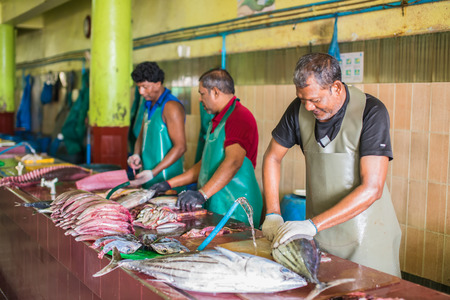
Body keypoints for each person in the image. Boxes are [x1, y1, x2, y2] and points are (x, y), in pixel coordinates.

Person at [261, 53, 401, 277]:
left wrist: (311, 225)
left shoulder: (371, 111)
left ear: (336, 87)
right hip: (320, 235)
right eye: (302, 98)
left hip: (367, 238)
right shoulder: (298, 110)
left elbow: (372, 188)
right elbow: (272, 157)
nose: (307, 107)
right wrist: (273, 213)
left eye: (315, 100)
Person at [150, 68, 263, 226]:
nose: (199, 99)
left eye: (202, 93)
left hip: (236, 207)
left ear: (215, 92)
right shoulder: (216, 121)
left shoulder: (239, 117)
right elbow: (205, 166)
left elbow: (233, 162)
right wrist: (169, 184)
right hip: (217, 203)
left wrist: (202, 194)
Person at [127, 62, 186, 189]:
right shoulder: (148, 105)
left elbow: (180, 147)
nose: (141, 91)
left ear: (158, 84)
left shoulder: (171, 107)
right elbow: (142, 136)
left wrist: (153, 172)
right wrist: (136, 154)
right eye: (138, 87)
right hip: (148, 179)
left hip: (167, 182)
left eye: (145, 87)